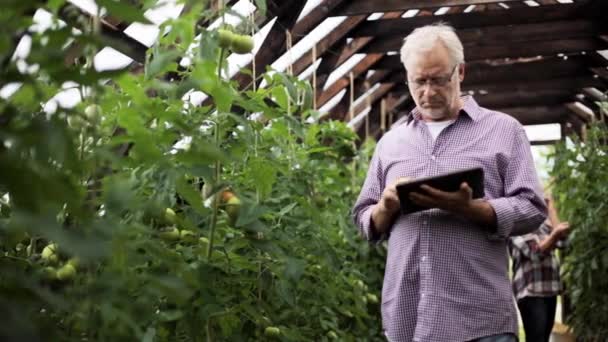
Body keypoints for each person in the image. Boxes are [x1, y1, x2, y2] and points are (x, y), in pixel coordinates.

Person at [352, 23, 547, 342]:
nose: (428, 93)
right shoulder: (391, 142)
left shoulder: (503, 131)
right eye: (419, 81)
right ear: (407, 78)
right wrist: (385, 207)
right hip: (407, 316)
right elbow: (364, 221)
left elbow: (532, 208)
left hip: (481, 321)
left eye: (438, 79)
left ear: (461, 72)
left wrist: (473, 209)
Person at [509, 192, 570, 342]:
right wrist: (555, 235)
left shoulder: (545, 223)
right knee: (536, 339)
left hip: (550, 288)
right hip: (530, 291)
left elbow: (563, 243)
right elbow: (534, 252)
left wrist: (552, 209)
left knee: (543, 339)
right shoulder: (516, 223)